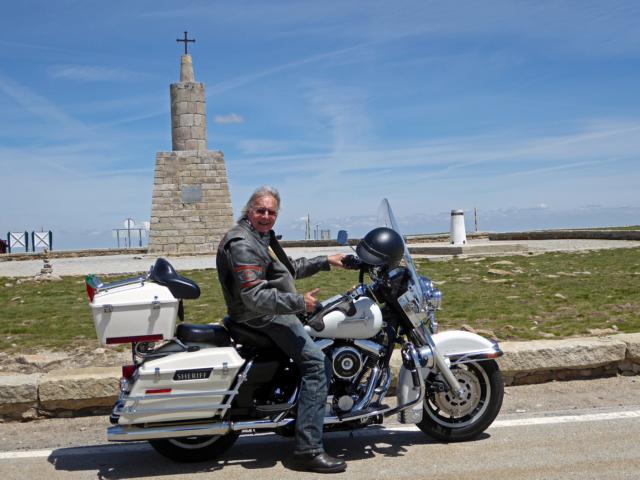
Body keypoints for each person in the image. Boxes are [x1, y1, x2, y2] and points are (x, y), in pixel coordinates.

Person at [216, 186, 347, 473]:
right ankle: (308, 450)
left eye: (271, 212)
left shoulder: (260, 236)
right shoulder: (242, 243)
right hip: (260, 316)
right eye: (260, 210)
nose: (266, 216)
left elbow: (287, 270)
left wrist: (326, 261)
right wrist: (299, 302)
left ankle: (298, 418)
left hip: (269, 310)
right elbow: (254, 296)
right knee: (316, 365)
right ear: (249, 210)